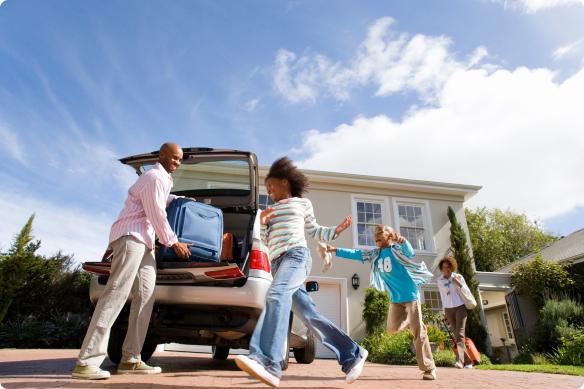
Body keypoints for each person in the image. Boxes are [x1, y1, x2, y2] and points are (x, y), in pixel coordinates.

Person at [235, 157, 368, 388]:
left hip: (296, 257)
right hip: (278, 264)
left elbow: (315, 230)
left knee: (276, 296)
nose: (270, 193)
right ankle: (352, 353)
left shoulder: (302, 204)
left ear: (285, 182)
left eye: (272, 187)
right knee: (309, 316)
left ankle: (267, 362)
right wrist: (263, 222)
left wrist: (336, 230)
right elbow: (266, 242)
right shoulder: (269, 210)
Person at [72, 143, 191, 380]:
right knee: (116, 292)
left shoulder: (163, 181)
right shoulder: (154, 176)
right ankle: (86, 361)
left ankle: (131, 358)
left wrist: (181, 199)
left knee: (146, 296)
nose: (176, 163)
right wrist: (173, 242)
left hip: (145, 242)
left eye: (179, 160)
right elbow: (156, 211)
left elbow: (163, 200)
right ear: (162, 155)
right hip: (131, 236)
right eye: (173, 158)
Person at [326, 225, 437, 380]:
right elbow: (357, 254)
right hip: (396, 299)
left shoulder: (397, 249)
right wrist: (335, 250)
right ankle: (410, 320)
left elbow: (410, 253)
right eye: (374, 234)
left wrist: (404, 241)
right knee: (392, 328)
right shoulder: (374, 254)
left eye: (380, 233)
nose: (375, 235)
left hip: (410, 295)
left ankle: (428, 368)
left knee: (418, 333)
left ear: (390, 235)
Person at [437, 256, 473, 369]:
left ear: (452, 267)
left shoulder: (458, 277)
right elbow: (442, 296)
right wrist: (443, 311)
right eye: (443, 267)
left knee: (460, 334)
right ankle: (467, 361)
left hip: (460, 307)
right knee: (456, 335)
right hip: (448, 309)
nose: (445, 270)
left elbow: (467, 291)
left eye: (448, 267)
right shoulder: (440, 280)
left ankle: (460, 361)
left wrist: (459, 284)